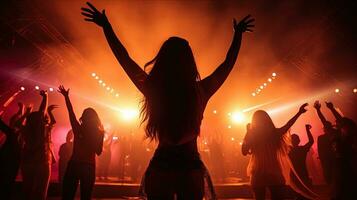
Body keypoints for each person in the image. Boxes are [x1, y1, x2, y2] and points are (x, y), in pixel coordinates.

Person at [81, 2, 254, 199]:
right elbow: (227, 65)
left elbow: (125, 60)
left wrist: (107, 28)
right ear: (189, 61)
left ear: (162, 60)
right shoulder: (200, 90)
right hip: (189, 164)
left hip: (163, 164)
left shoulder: (154, 89)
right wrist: (238, 35)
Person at [241, 104, 316, 200]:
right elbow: (288, 125)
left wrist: (247, 132)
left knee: (261, 197)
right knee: (276, 196)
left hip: (259, 170)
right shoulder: (273, 133)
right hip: (271, 170)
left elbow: (244, 151)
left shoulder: (254, 135)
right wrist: (299, 113)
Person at [58, 85, 104, 200]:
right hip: (88, 166)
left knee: (67, 195)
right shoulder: (99, 132)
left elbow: (71, 113)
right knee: (86, 196)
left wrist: (66, 97)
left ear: (83, 118)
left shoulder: (78, 129)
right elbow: (98, 152)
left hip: (74, 164)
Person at [21, 90, 52, 200]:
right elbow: (42, 111)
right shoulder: (41, 129)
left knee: (27, 190)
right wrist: (45, 97)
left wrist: (24, 113)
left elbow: (17, 124)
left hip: (27, 161)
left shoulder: (26, 129)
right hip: (41, 162)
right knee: (40, 192)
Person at [325, 102, 357, 199]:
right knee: (340, 184)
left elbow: (341, 120)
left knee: (348, 183)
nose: (336, 123)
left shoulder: (349, 135)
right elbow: (326, 123)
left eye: (339, 122)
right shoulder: (337, 134)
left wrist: (332, 109)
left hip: (348, 162)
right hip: (339, 162)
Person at [0, 106, 23, 199]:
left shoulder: (16, 133)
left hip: (11, 159)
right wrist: (21, 111)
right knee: (7, 181)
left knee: (7, 181)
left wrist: (21, 111)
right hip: (9, 159)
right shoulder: (13, 132)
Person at [313, 101, 337, 185]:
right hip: (329, 159)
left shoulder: (334, 134)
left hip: (335, 159)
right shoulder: (323, 137)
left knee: (333, 177)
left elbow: (323, 120)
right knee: (330, 177)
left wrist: (318, 110)